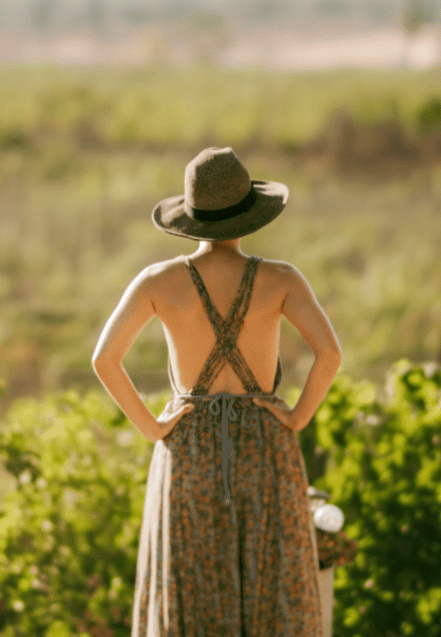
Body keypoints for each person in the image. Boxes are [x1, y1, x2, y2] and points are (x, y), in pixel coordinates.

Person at [92, 147, 342, 637]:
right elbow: (329, 354)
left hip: (188, 446)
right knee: (274, 584)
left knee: (189, 582)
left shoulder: (158, 281)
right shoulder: (281, 279)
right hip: (266, 443)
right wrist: (296, 417)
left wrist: (154, 427)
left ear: (190, 218)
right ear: (249, 215)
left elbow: (104, 359)